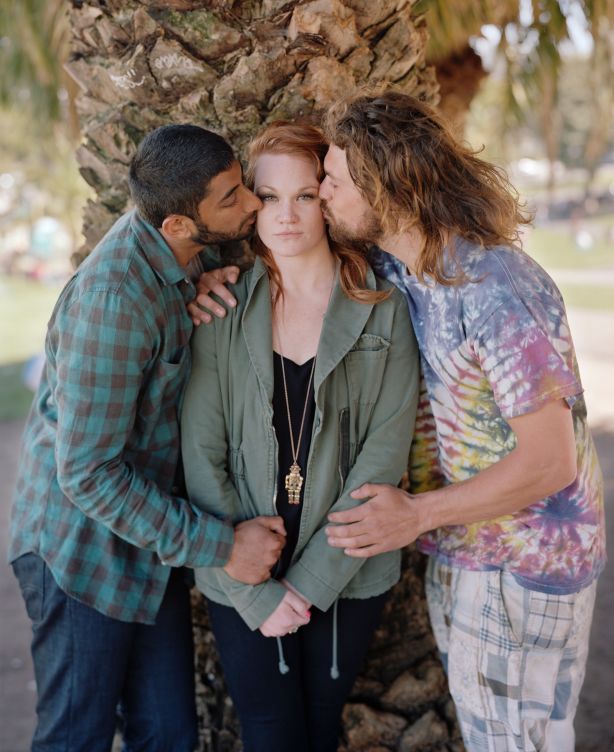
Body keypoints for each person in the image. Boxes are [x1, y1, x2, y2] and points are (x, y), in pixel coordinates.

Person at [319, 90, 606, 752]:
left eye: (334, 181)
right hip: (469, 547)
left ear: (383, 185)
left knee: (516, 744)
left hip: (525, 565)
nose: (323, 193)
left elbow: (549, 462)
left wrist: (416, 515)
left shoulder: (496, 287)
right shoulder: (409, 267)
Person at [8, 124, 288, 752]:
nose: (252, 204)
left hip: (148, 547)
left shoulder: (184, 255)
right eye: (231, 197)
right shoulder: (115, 302)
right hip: (80, 556)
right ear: (177, 227)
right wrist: (221, 546)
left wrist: (203, 280)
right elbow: (86, 474)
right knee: (75, 739)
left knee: (166, 736)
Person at [180, 121, 420, 752]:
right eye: (269, 197)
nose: (286, 215)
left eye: (306, 195)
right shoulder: (223, 306)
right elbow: (201, 453)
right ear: (250, 204)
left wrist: (310, 583)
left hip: (347, 566)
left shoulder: (380, 307)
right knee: (269, 732)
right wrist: (255, 597)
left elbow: (385, 452)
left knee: (317, 729)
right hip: (240, 569)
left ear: (329, 199)